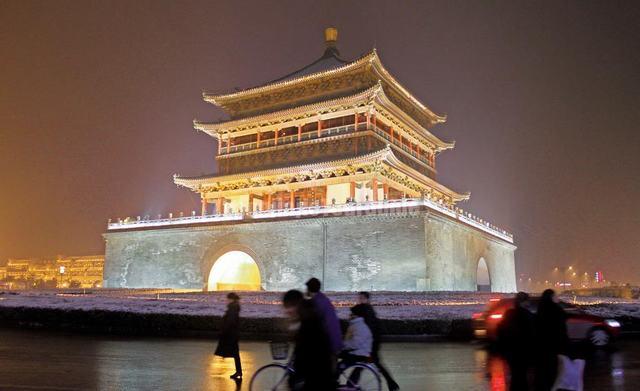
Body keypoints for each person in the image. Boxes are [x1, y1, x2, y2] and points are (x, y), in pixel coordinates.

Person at [282, 289, 334, 391]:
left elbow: (306, 353)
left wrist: (296, 377)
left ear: (296, 305)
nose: (286, 311)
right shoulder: (308, 315)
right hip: (317, 375)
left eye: (288, 307)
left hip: (316, 377)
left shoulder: (308, 321)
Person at [358, 291, 400, 390]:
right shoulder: (368, 309)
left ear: (367, 299)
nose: (360, 300)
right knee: (367, 364)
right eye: (359, 298)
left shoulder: (367, 310)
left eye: (362, 298)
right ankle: (392, 384)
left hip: (371, 345)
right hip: (372, 344)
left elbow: (369, 328)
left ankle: (392, 384)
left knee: (363, 364)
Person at [497, 291, 534, 391]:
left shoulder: (509, 314)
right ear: (524, 302)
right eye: (527, 301)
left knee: (515, 375)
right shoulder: (528, 315)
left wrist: (503, 348)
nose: (529, 303)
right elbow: (533, 334)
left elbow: (500, 330)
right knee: (522, 377)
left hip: (511, 352)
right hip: (523, 351)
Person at [535, 289, 569, 391]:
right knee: (556, 373)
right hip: (556, 346)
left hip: (543, 347)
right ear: (551, 297)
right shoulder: (556, 310)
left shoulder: (540, 310)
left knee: (545, 373)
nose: (557, 297)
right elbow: (561, 330)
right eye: (555, 296)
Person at [305, 278, 343, 357]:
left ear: (309, 289)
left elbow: (315, 324)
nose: (305, 290)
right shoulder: (322, 299)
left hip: (329, 343)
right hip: (334, 340)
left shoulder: (317, 303)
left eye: (306, 288)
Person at [215, 292, 242, 380]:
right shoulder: (234, 307)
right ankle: (239, 372)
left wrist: (224, 330)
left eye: (228, 299)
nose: (226, 300)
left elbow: (231, 321)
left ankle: (239, 372)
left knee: (235, 353)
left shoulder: (233, 308)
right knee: (235, 354)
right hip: (233, 334)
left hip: (231, 334)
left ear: (231, 299)